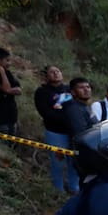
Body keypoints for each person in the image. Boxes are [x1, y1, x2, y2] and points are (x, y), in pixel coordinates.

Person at [34, 65, 78, 194]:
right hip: (55, 132)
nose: (55, 74)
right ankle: (57, 189)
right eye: (52, 72)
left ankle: (74, 187)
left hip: (73, 132)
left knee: (74, 161)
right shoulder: (42, 92)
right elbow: (46, 113)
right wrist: (66, 117)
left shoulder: (70, 89)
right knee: (58, 161)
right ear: (46, 77)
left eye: (58, 71)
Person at [63, 77, 97, 141]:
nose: (86, 90)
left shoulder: (84, 106)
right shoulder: (74, 109)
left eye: (88, 87)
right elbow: (81, 134)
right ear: (73, 92)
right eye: (81, 88)